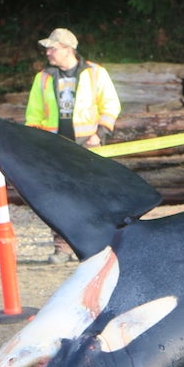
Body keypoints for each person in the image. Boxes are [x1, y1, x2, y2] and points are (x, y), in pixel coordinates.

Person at [25, 27, 121, 263]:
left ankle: (95, 245)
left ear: (68, 49)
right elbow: (33, 115)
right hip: (54, 147)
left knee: (91, 197)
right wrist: (37, 143)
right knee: (56, 199)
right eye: (47, 48)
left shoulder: (96, 73)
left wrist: (99, 134)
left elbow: (111, 105)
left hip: (88, 145)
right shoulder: (44, 78)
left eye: (52, 48)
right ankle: (62, 247)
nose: (47, 52)